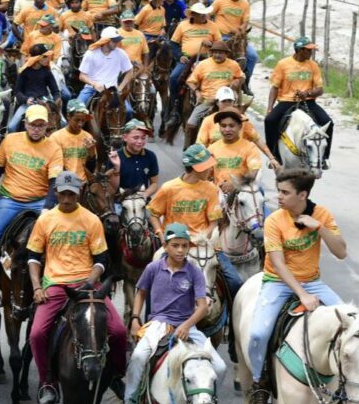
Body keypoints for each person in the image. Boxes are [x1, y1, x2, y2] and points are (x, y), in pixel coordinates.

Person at [247, 169, 345, 404]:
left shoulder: (322, 214)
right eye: (278, 190)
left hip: (313, 281)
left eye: (284, 192)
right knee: (258, 333)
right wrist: (301, 294)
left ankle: (344, 385)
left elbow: (341, 252)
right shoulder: (274, 220)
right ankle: (260, 383)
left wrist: (319, 227)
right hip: (277, 281)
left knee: (349, 323)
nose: (278, 196)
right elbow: (278, 265)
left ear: (302, 195)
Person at [113, 222, 227, 404]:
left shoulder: (193, 272)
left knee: (220, 366)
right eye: (176, 245)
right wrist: (135, 318)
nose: (181, 250)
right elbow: (140, 293)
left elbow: (202, 307)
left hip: (188, 326)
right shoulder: (153, 268)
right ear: (165, 246)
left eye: (184, 246)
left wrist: (187, 325)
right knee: (138, 357)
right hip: (158, 324)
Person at [26, 170, 126, 404]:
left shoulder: (91, 220)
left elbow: (101, 260)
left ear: (79, 193)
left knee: (119, 331)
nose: (67, 199)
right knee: (37, 333)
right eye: (63, 194)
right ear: (56, 193)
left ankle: (116, 374)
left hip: (87, 283)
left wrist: (90, 282)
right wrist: (36, 287)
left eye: (72, 194)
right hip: (55, 284)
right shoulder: (45, 220)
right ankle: (46, 381)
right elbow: (33, 257)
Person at [0, 104, 64, 308]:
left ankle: (59, 282)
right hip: (10, 199)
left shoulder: (53, 148)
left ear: (47, 126)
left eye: (41, 125)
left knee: (58, 238)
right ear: (25, 124)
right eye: (33, 124)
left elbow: (54, 183)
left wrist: (47, 208)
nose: (36, 129)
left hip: (40, 201)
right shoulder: (10, 141)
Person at [148, 144, 243, 294]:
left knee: (235, 282)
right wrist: (161, 235)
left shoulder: (211, 188)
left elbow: (214, 222)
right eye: (207, 167)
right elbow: (153, 214)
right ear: (195, 168)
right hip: (175, 245)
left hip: (204, 244)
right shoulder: (168, 188)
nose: (211, 170)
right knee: (153, 283)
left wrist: (203, 237)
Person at [264, 37, 333, 168]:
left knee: (327, 122)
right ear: (299, 50)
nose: (311, 53)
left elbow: (320, 89)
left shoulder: (313, 65)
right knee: (269, 120)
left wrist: (308, 93)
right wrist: (269, 108)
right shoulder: (283, 64)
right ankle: (273, 156)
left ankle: (324, 158)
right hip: (287, 101)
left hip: (308, 101)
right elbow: (274, 87)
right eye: (308, 50)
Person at [185, 40, 244, 133]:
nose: (217, 55)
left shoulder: (233, 64)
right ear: (211, 53)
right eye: (215, 52)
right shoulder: (203, 64)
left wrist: (237, 80)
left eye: (220, 53)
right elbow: (190, 81)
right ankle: (187, 146)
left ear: (226, 54)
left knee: (242, 122)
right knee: (191, 124)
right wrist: (197, 93)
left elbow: (241, 77)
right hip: (208, 99)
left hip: (227, 101)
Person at [211, 0, 258, 95]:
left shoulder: (245, 4)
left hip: (238, 36)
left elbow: (245, 21)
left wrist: (240, 30)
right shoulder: (220, 1)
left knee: (252, 56)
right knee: (217, 53)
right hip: (222, 35)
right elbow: (210, 14)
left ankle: (245, 82)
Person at [77, 26, 135, 115]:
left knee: (129, 112)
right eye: (114, 40)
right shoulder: (91, 53)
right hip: (92, 89)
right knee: (77, 110)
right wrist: (94, 84)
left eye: (117, 40)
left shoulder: (121, 53)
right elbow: (82, 76)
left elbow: (130, 72)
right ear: (106, 40)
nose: (117, 42)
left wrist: (120, 88)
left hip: (113, 90)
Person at [207, 109, 263, 194]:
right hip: (219, 194)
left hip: (243, 192)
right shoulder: (211, 149)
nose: (227, 129)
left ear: (240, 126)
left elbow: (254, 171)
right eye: (223, 126)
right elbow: (205, 175)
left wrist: (236, 184)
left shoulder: (250, 147)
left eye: (231, 126)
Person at [7, 45, 60, 131]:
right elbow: (18, 91)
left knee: (63, 123)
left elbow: (55, 91)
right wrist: (26, 100)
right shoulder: (24, 72)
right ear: (37, 58)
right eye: (45, 57)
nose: (48, 59)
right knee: (11, 127)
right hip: (28, 103)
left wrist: (55, 101)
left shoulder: (47, 71)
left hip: (45, 101)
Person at [108, 119, 160, 198]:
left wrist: (146, 194)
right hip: (121, 198)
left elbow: (154, 183)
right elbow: (112, 188)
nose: (140, 141)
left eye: (143, 138)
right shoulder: (115, 157)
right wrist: (117, 166)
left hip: (141, 199)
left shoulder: (151, 156)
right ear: (125, 137)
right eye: (136, 138)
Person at [50, 100, 97, 183]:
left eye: (83, 121)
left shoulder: (88, 137)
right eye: (77, 120)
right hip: (63, 183)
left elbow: (91, 168)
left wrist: (92, 153)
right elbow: (53, 166)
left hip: (83, 183)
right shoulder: (56, 137)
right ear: (68, 117)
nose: (80, 124)